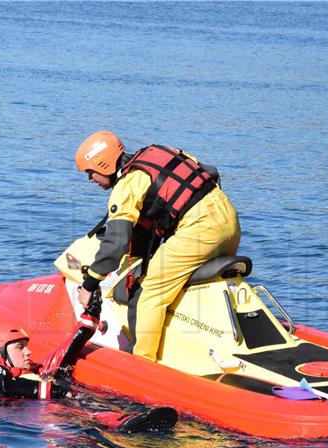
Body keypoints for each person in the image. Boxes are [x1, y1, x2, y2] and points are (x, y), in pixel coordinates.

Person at [75, 131, 241, 361]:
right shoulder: (158, 152)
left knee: (150, 292)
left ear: (103, 164)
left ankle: (142, 361)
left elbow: (117, 242)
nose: (90, 179)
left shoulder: (128, 184)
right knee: (178, 282)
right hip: (230, 222)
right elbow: (210, 172)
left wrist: (90, 282)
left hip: (200, 230)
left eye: (90, 172)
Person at [0, 292, 177, 433]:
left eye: (26, 345)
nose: (28, 351)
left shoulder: (33, 370)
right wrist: (56, 392)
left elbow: (64, 355)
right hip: (31, 421)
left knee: (80, 398)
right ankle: (120, 423)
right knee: (80, 412)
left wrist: (89, 318)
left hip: (50, 407)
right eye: (20, 347)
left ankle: (126, 420)